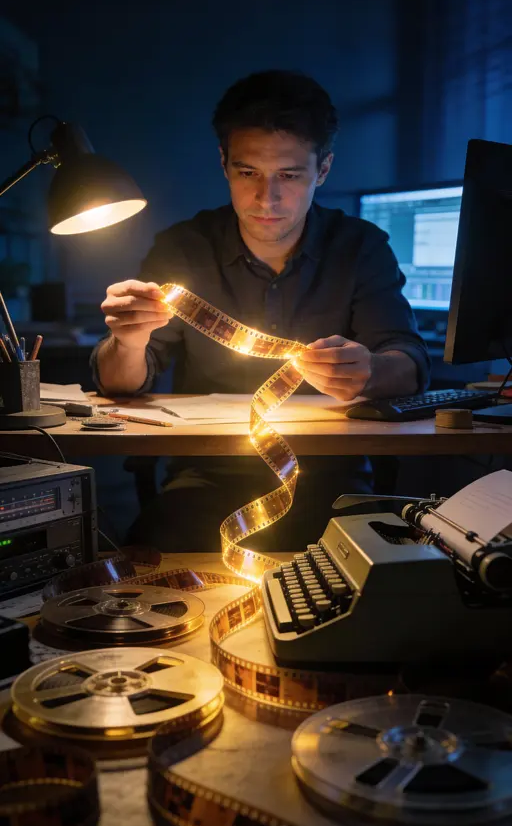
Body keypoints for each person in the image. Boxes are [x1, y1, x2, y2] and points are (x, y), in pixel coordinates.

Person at [91, 70, 430, 551]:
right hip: (206, 477)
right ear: (224, 163)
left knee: (373, 572)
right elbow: (123, 382)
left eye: (289, 176)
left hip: (334, 479)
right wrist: (128, 341)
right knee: (152, 561)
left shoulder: (361, 248)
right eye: (248, 172)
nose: (266, 198)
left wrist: (371, 371)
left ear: (324, 169)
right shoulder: (183, 249)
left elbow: (411, 363)